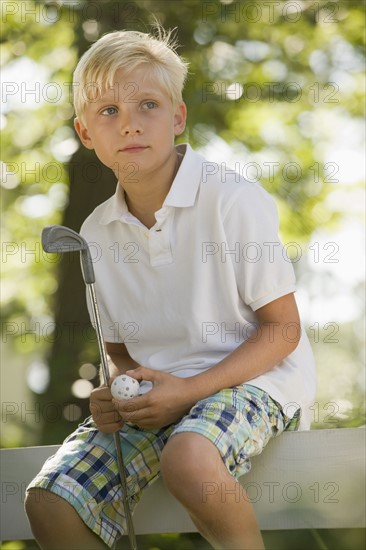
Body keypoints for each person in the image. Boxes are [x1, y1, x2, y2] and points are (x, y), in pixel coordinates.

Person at [25, 27, 316, 550]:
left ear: (178, 117)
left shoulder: (230, 199)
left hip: (254, 380)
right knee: (50, 501)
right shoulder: (94, 232)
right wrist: (118, 391)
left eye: (148, 104)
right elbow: (118, 351)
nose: (130, 123)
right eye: (108, 111)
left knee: (187, 459)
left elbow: (284, 330)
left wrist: (187, 391)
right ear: (85, 133)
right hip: (162, 394)